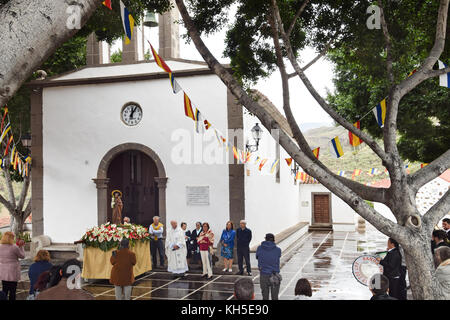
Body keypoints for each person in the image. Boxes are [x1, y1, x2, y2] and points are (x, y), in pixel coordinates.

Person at [256, 233, 282, 300]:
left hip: (263, 275)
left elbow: (257, 257)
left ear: (265, 239)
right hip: (275, 275)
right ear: (274, 240)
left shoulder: (259, 248)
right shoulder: (278, 250)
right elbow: (278, 256)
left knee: (265, 297)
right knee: (275, 297)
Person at [0, 232, 25, 300]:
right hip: (12, 271)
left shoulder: (0, 246)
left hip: (3, 270)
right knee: (12, 291)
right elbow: (22, 256)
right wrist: (21, 246)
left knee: (4, 289)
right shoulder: (14, 247)